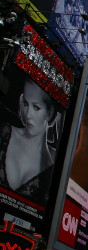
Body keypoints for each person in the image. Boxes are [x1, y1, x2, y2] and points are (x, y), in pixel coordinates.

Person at [0, 77, 61, 207]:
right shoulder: (4, 131)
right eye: (26, 104)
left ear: (49, 113)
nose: (28, 115)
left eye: (36, 107)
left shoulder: (52, 168)